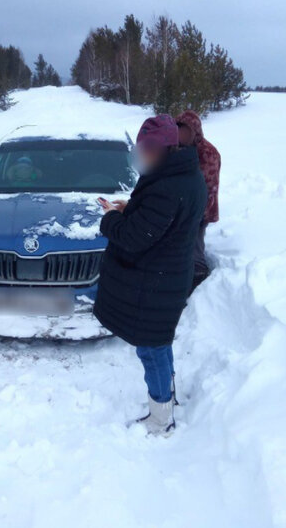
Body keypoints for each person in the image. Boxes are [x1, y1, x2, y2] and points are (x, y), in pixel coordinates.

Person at [94, 115, 207, 436]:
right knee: (160, 342)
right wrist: (130, 207)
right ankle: (168, 399)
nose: (141, 155)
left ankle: (161, 418)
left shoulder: (168, 187)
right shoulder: (183, 174)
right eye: (139, 148)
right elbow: (164, 218)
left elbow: (133, 237)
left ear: (166, 148)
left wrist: (110, 220)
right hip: (168, 276)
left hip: (157, 282)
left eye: (148, 149)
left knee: (151, 348)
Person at [175, 110, 221, 291]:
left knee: (194, 248)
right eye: (179, 130)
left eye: (185, 131)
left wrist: (196, 215)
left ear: (195, 131)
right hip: (183, 208)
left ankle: (199, 286)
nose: (181, 134)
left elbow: (208, 189)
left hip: (200, 211)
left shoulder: (207, 153)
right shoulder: (181, 148)